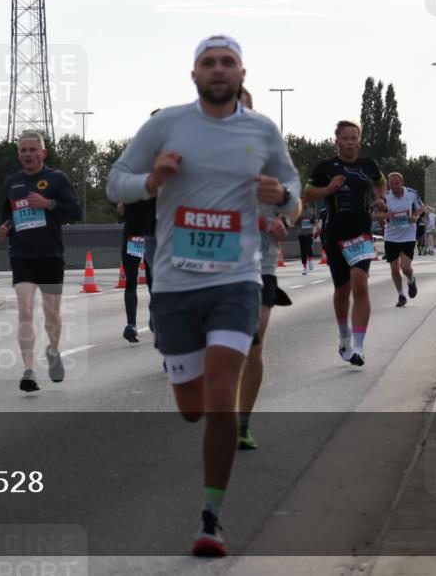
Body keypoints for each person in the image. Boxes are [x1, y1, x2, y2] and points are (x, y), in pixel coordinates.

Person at [107, 35, 301, 557]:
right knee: (192, 407)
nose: (219, 70)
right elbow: (114, 182)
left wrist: (282, 199)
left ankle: (211, 518)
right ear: (195, 75)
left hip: (236, 281)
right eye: (208, 62)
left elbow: (294, 192)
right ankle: (193, 400)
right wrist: (152, 180)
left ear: (241, 73)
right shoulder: (167, 124)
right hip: (174, 284)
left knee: (220, 397)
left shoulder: (261, 130)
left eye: (228, 62)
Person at [236, 86, 301, 451]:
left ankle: (242, 422)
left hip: (260, 261)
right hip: (215, 262)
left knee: (254, 343)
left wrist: (285, 222)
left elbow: (295, 203)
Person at [0, 131, 82, 392]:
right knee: (24, 311)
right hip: (21, 255)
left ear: (43, 153)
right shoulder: (13, 182)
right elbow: (6, 216)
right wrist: (4, 228)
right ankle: (28, 371)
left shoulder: (56, 179)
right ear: (18, 154)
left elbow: (75, 212)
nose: (28, 154)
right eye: (23, 150)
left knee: (51, 314)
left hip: (50, 255)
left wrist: (49, 203)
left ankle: (53, 351)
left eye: (33, 150)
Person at [303, 121, 386, 367]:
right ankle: (344, 334)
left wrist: (380, 198)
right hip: (334, 233)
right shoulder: (326, 167)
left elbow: (379, 181)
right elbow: (307, 194)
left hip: (360, 233)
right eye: (345, 138)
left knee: (360, 284)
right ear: (337, 141)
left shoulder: (368, 165)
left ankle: (359, 347)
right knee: (343, 289)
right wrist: (328, 188)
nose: (350, 142)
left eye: (354, 138)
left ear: (359, 140)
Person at [378, 172, 425, 307]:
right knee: (394, 269)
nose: (394, 186)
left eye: (396, 183)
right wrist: (385, 215)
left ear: (402, 182)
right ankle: (401, 295)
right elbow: (376, 214)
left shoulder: (411, 193)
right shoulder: (385, 197)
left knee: (405, 268)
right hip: (391, 236)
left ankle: (411, 279)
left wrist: (415, 216)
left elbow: (422, 207)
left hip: (408, 235)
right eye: (391, 183)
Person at [116, 197, 156, 342]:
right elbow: (118, 204)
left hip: (151, 236)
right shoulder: (128, 186)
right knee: (131, 280)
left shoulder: (154, 184)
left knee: (153, 281)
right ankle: (131, 325)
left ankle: (154, 315)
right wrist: (120, 204)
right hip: (132, 237)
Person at [296, 205, 317, 274]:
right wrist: (297, 220)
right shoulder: (298, 210)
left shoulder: (311, 210)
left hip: (309, 232)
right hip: (301, 233)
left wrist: (313, 221)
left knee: (309, 247)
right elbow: (294, 222)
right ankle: (304, 268)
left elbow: (315, 220)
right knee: (303, 250)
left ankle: (310, 260)